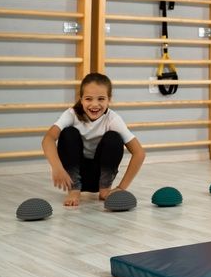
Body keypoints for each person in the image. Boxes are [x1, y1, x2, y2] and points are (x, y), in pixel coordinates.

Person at [41, 73, 146, 207]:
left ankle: (105, 189)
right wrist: (57, 168)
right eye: (88, 99)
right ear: (81, 99)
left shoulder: (113, 119)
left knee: (113, 137)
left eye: (101, 99)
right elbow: (48, 139)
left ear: (109, 99)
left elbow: (139, 153)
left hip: (100, 175)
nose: (94, 104)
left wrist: (121, 188)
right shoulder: (71, 114)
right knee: (68, 133)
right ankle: (74, 189)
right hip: (75, 173)